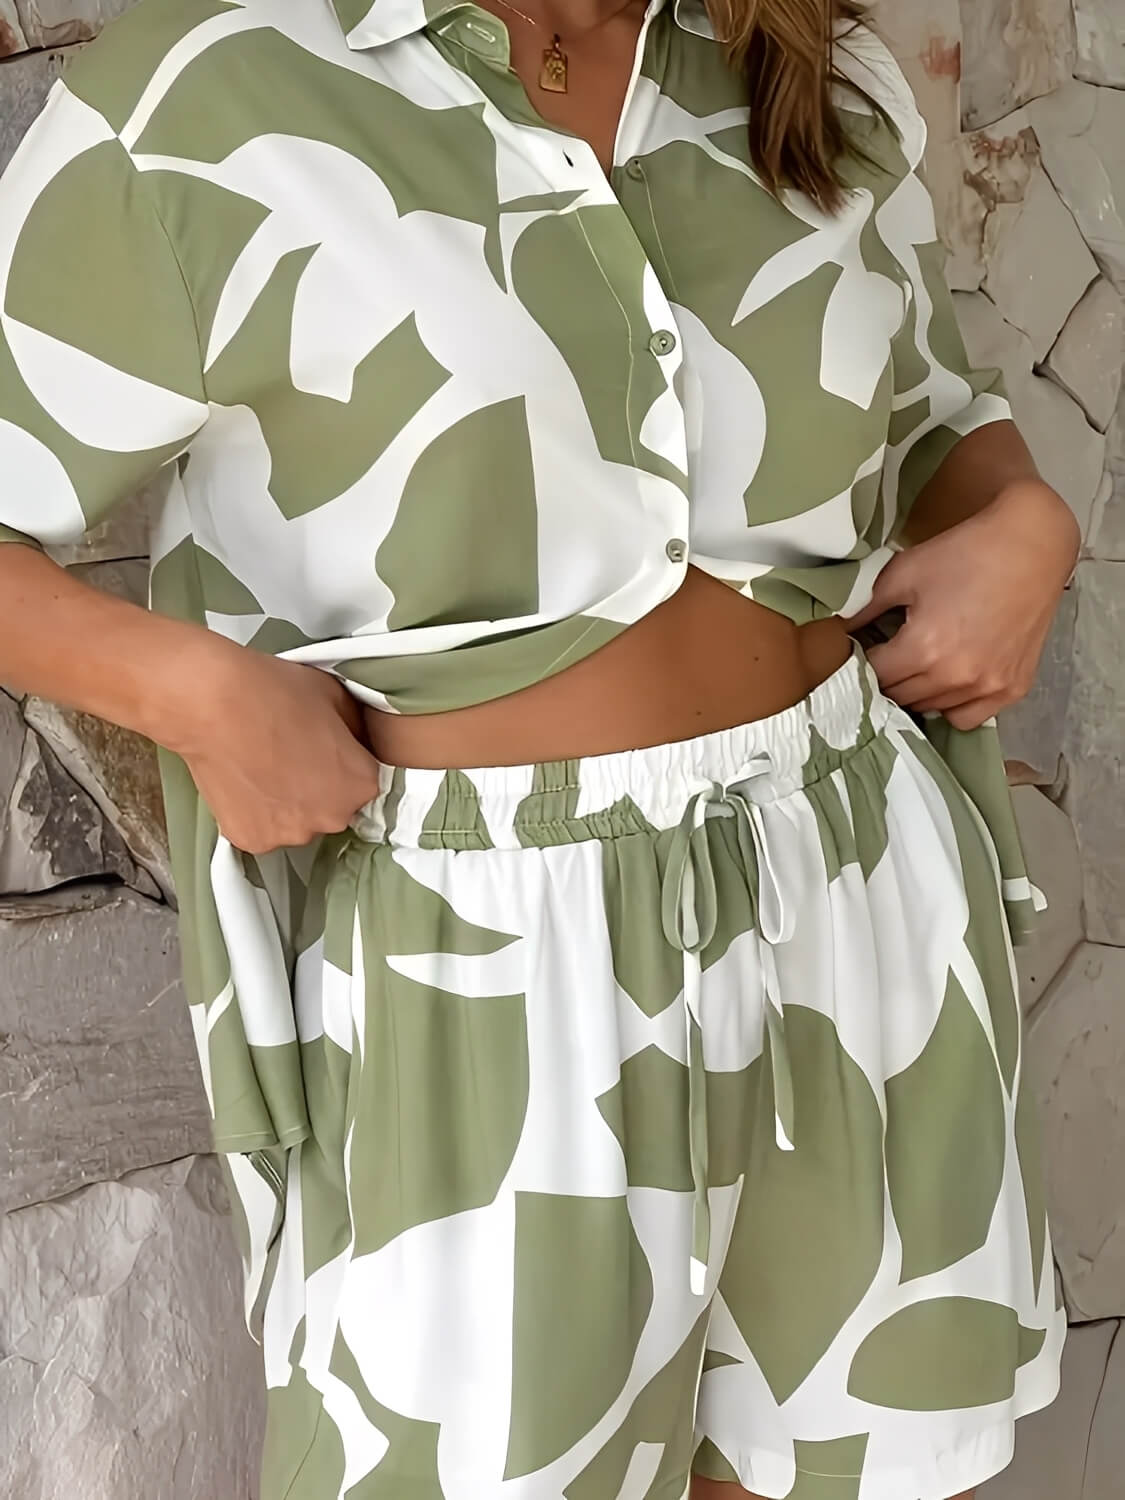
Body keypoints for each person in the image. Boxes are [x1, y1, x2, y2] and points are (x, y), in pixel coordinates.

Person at [0, 0, 1077, 1493]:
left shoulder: (800, 56)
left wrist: (1025, 522)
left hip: (849, 886)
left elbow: (929, 417)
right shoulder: (206, 91)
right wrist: (190, 692)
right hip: (479, 966)